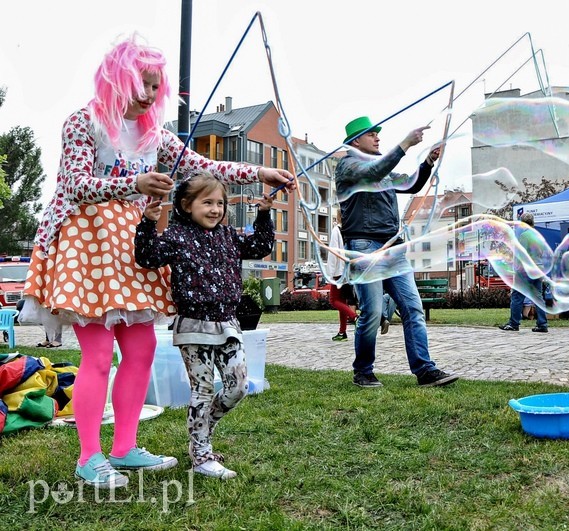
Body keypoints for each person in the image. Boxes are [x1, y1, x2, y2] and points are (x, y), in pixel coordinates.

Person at [20, 35, 296, 488]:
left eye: (155, 86)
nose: (149, 93)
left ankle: (124, 448)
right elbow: (72, 185)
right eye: (142, 83)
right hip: (88, 243)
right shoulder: (84, 122)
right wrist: (136, 183)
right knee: (96, 354)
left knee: (143, 348)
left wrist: (259, 172)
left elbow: (202, 165)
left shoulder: (154, 136)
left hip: (130, 245)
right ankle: (89, 457)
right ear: (118, 79)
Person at [135, 172, 274, 480]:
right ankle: (201, 454)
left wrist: (263, 213)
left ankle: (204, 428)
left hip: (227, 322)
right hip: (194, 325)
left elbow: (260, 245)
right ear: (186, 205)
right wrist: (147, 223)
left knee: (237, 387)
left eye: (220, 203)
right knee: (203, 388)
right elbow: (146, 256)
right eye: (207, 202)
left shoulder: (228, 236)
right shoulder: (175, 236)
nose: (215, 209)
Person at [335, 115, 457, 388]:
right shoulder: (347, 166)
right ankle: (363, 371)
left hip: (393, 246)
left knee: (413, 307)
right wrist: (405, 144)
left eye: (378, 134)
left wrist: (427, 163)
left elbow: (410, 183)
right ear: (356, 141)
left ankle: (424, 370)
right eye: (372, 134)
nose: (378, 137)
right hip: (365, 247)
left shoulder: (383, 170)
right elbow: (372, 173)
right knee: (373, 312)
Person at [498, 212, 548, 333]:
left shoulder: (524, 236)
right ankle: (542, 324)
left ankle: (514, 323)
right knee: (538, 297)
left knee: (517, 296)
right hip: (538, 268)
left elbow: (520, 255)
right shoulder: (538, 235)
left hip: (526, 270)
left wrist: (516, 269)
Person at [326, 210, 358, 341]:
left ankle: (354, 317)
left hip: (338, 271)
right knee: (342, 301)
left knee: (334, 300)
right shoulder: (351, 230)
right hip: (349, 270)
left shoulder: (336, 230)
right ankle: (342, 332)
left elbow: (333, 252)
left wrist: (330, 273)